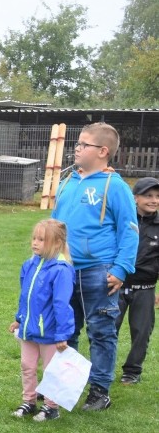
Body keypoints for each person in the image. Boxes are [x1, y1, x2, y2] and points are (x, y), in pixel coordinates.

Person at [51, 122, 138, 411]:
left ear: (102, 151)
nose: (77, 148)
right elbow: (55, 225)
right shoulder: (67, 181)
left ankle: (100, 391)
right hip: (63, 270)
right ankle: (65, 388)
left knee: (101, 331)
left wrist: (121, 268)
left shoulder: (116, 187)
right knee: (66, 331)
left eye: (83, 144)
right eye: (77, 143)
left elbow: (129, 230)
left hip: (98, 272)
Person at [9, 219, 75, 422]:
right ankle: (29, 401)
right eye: (34, 238)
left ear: (56, 244)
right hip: (29, 330)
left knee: (50, 370)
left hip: (50, 333)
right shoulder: (29, 265)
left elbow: (62, 304)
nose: (35, 243)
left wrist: (63, 334)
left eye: (41, 240)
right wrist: (19, 319)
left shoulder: (61, 270)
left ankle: (51, 407)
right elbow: (25, 297)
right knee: (27, 365)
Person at [115, 177, 159, 385]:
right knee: (108, 328)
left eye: (158, 196)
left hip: (146, 288)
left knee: (141, 332)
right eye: (148, 196)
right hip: (118, 285)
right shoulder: (124, 221)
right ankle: (101, 368)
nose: (154, 200)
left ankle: (132, 372)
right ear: (135, 198)